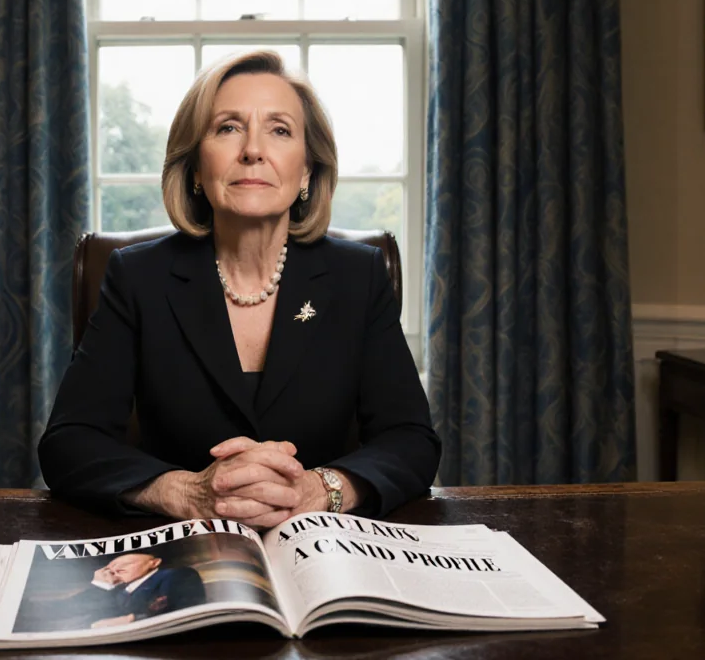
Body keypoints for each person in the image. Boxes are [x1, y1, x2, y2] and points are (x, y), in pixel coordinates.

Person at [39, 50, 441, 529]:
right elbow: (69, 441)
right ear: (193, 167)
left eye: (279, 130)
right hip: (179, 550)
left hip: (324, 552)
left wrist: (321, 490)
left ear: (308, 170)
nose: (253, 149)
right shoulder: (137, 276)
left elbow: (411, 438)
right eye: (228, 127)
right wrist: (184, 493)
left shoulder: (360, 275)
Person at [81, 554, 206, 629]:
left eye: (126, 564)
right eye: (110, 566)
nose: (115, 569)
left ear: (154, 562)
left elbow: (179, 609)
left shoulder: (176, 575)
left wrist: (133, 619)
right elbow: (91, 614)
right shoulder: (118, 591)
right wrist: (100, 584)